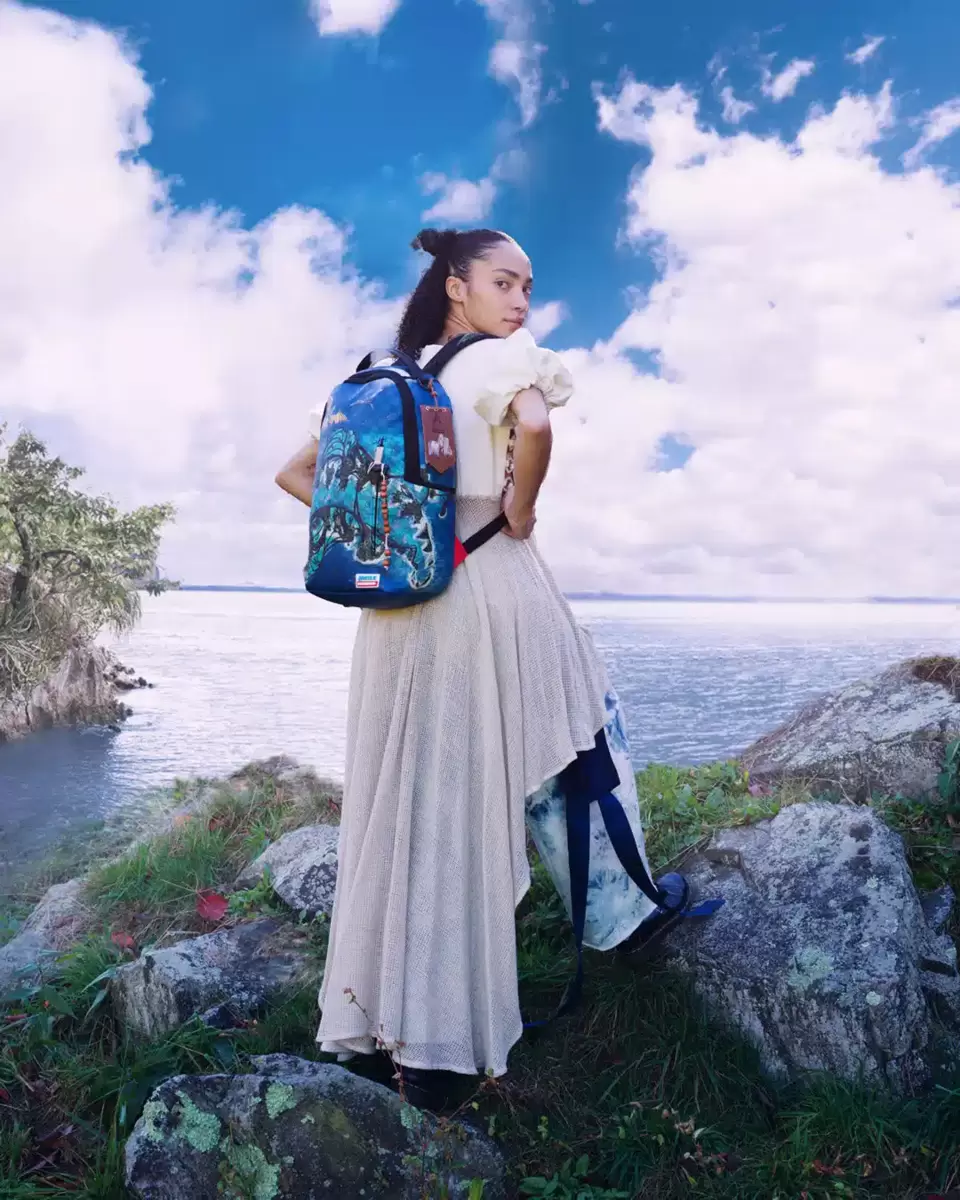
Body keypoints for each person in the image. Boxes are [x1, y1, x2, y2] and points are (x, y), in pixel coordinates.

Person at [275, 227, 666, 1110]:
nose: (520, 301)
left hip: (399, 611)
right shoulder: (499, 361)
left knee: (409, 809)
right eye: (503, 281)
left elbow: (297, 474)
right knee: (570, 736)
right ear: (457, 285)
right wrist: (519, 510)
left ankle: (376, 1030)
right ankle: (614, 926)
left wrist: (394, 532)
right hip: (488, 583)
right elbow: (537, 424)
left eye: (527, 286)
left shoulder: (384, 377)